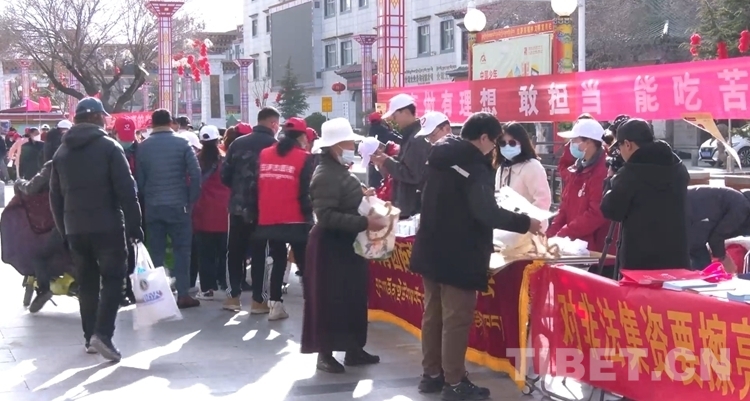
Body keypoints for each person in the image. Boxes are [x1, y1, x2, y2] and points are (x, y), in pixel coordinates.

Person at [410, 113, 541, 400]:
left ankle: (432, 375)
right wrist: (525, 222)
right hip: (459, 253)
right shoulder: (473, 165)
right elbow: (486, 212)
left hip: (431, 248)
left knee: (433, 315)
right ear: (483, 138)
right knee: (456, 319)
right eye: (495, 142)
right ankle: (455, 382)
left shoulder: (439, 157)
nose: (495, 149)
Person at [49, 97, 143, 361]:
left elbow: (55, 197)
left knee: (87, 282)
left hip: (74, 228)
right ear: (95, 118)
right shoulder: (110, 147)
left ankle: (89, 336)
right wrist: (135, 225)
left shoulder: (61, 152)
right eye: (103, 116)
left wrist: (63, 230)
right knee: (114, 279)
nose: (105, 120)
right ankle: (103, 334)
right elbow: (127, 190)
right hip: (108, 225)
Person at [301, 117, 386, 373]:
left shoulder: (338, 169)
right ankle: (325, 353)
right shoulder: (325, 174)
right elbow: (326, 215)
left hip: (347, 244)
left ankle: (353, 348)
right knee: (330, 299)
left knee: (353, 297)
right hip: (330, 246)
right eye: (349, 142)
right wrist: (365, 222)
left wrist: (363, 196)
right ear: (336, 145)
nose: (352, 146)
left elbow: (343, 199)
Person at [601, 118, 690, 271]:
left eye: (619, 146)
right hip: (678, 257)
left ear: (627, 144)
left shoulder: (629, 174)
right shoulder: (678, 167)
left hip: (641, 262)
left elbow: (611, 210)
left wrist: (611, 180)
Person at [136, 109, 202, 309]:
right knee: (182, 251)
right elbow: (196, 174)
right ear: (171, 122)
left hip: (153, 206)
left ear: (152, 124)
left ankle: (157, 296)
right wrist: (190, 200)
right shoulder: (182, 143)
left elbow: (140, 179)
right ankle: (183, 294)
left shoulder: (143, 147)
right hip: (179, 205)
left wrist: (148, 198)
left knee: (155, 251)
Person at [255, 117, 315, 320]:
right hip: (296, 218)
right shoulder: (305, 157)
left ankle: (275, 305)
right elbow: (306, 191)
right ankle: (311, 306)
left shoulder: (264, 154)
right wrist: (310, 218)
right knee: (304, 263)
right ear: (302, 136)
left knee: (278, 260)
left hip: (269, 217)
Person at [221, 107, 280, 312]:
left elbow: (224, 175)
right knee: (260, 253)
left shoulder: (237, 143)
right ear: (273, 123)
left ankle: (232, 297)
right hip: (264, 209)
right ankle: (258, 300)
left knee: (234, 251)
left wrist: (239, 189)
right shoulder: (275, 146)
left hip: (238, 206)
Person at [14, 127, 65, 312]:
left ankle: (44, 289)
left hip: (64, 222)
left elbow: (31, 188)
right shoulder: (90, 159)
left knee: (39, 256)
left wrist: (19, 182)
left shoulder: (53, 164)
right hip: (99, 220)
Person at [548, 119, 612, 254]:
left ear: (589, 142)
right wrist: (551, 234)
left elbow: (596, 213)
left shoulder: (603, 171)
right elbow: (564, 207)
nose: (570, 145)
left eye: (574, 140)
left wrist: (564, 232)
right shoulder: (577, 168)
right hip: (573, 245)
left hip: (594, 249)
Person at [371, 94, 430, 218]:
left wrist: (387, 161)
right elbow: (405, 164)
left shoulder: (417, 139)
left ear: (406, 112)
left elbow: (412, 175)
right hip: (408, 205)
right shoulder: (410, 136)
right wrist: (387, 160)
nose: (393, 119)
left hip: (413, 208)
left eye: (395, 115)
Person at [192, 125, 231, 299]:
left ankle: (207, 288)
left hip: (202, 212)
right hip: (224, 212)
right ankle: (224, 284)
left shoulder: (196, 160)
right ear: (218, 140)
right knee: (224, 252)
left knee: (205, 253)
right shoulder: (225, 159)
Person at [686, 186, 750, 272]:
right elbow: (716, 237)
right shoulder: (742, 207)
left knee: (702, 262)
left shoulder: (735, 199)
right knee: (701, 264)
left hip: (686, 212)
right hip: (687, 215)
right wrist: (724, 259)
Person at [494, 122, 551, 211]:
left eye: (512, 143)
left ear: (522, 143)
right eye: (502, 143)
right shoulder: (501, 169)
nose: (507, 146)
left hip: (528, 219)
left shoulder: (532, 167)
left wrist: (528, 219)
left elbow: (543, 201)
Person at [367, 111, 401, 188]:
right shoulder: (385, 131)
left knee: (375, 187)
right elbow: (401, 140)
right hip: (387, 164)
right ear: (381, 120)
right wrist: (392, 129)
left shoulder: (370, 133)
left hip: (374, 166)